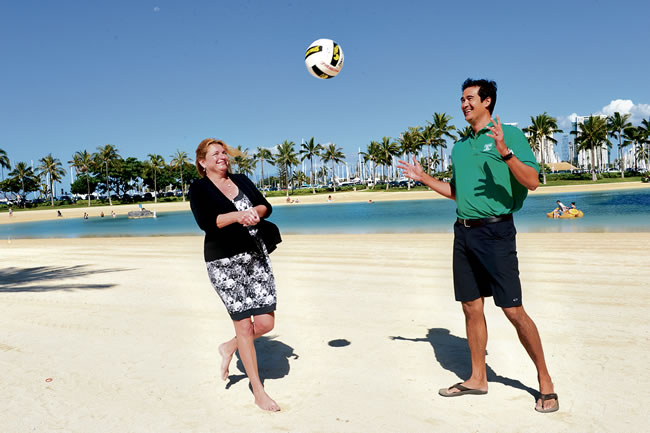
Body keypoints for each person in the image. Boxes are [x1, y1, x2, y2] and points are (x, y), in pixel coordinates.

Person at [397, 78, 558, 413]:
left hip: (497, 233)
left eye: (470, 98)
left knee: (513, 310)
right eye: (461, 99)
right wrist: (425, 178)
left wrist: (506, 153)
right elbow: (459, 193)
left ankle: (545, 382)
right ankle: (477, 379)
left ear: (487, 102)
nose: (464, 104)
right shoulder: (459, 147)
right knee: (471, 307)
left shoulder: (508, 134)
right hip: (464, 233)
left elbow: (533, 182)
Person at [189, 138, 282, 412]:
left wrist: (254, 211)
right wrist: (238, 216)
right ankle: (258, 391)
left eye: (224, 153)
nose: (222, 157)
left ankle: (229, 347)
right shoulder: (199, 188)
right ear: (202, 162)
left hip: (255, 256)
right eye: (215, 154)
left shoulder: (241, 179)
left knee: (265, 323)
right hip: (223, 262)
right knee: (243, 325)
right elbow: (208, 222)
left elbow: (265, 206)